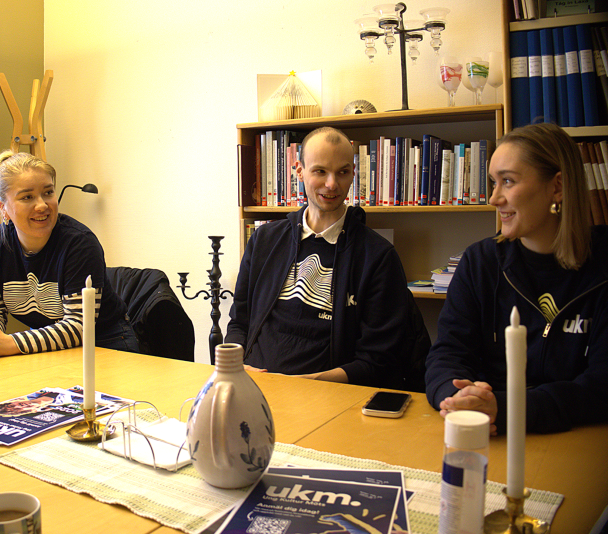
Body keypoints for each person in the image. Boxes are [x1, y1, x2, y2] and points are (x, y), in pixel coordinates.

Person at [425, 123, 608, 434]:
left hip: (578, 439)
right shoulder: (479, 262)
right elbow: (446, 354)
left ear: (557, 187)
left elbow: (602, 385)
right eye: (493, 183)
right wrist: (457, 397)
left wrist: (509, 408)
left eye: (507, 182)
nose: (494, 198)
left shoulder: (602, 266)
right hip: (486, 429)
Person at [226, 127, 426, 388]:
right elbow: (239, 323)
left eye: (342, 172)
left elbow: (378, 361)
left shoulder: (377, 257)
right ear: (299, 171)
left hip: (330, 396)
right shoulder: (264, 240)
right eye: (320, 171)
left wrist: (308, 383)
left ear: (353, 173)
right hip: (254, 388)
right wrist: (236, 367)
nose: (332, 184)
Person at [0, 151, 138, 358]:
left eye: (48, 193)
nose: (42, 205)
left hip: (106, 343)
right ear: (3, 208)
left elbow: (78, 327)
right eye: (27, 197)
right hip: (48, 344)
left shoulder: (80, 243)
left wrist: (9, 342)